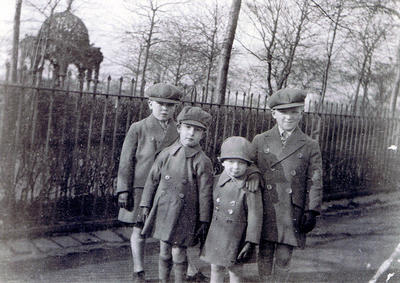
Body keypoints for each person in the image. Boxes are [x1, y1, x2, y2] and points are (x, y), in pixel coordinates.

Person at [116, 83, 205, 282]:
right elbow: (126, 160)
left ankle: (189, 271)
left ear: (176, 108)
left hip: (169, 189)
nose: (165, 109)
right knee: (139, 228)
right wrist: (123, 189)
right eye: (160, 104)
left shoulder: (181, 129)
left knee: (174, 232)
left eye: (170, 106)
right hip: (142, 187)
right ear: (150, 104)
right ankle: (139, 270)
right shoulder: (138, 128)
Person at [252, 88, 323, 282]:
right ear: (274, 114)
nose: (289, 117)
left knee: (284, 257)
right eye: (284, 112)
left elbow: (315, 179)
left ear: (301, 113)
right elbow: (251, 170)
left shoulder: (309, 144)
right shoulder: (260, 140)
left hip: (291, 209)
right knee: (265, 254)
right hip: (267, 206)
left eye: (294, 112)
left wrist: (312, 210)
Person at [140, 106, 214, 283]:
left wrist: (203, 220)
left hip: (185, 214)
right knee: (164, 250)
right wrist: (145, 204)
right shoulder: (166, 154)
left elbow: (205, 193)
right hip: (164, 209)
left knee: (179, 252)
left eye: (197, 130)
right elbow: (152, 180)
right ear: (179, 128)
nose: (191, 133)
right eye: (187, 128)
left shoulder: (202, 161)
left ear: (203, 134)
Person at [200, 136, 263, 283]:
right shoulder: (215, 181)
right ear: (221, 161)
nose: (235, 167)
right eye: (230, 162)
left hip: (237, 236)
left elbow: (255, 215)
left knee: (235, 270)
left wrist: (251, 241)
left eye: (241, 163)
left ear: (248, 165)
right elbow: (207, 207)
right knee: (215, 268)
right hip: (216, 235)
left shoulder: (250, 187)